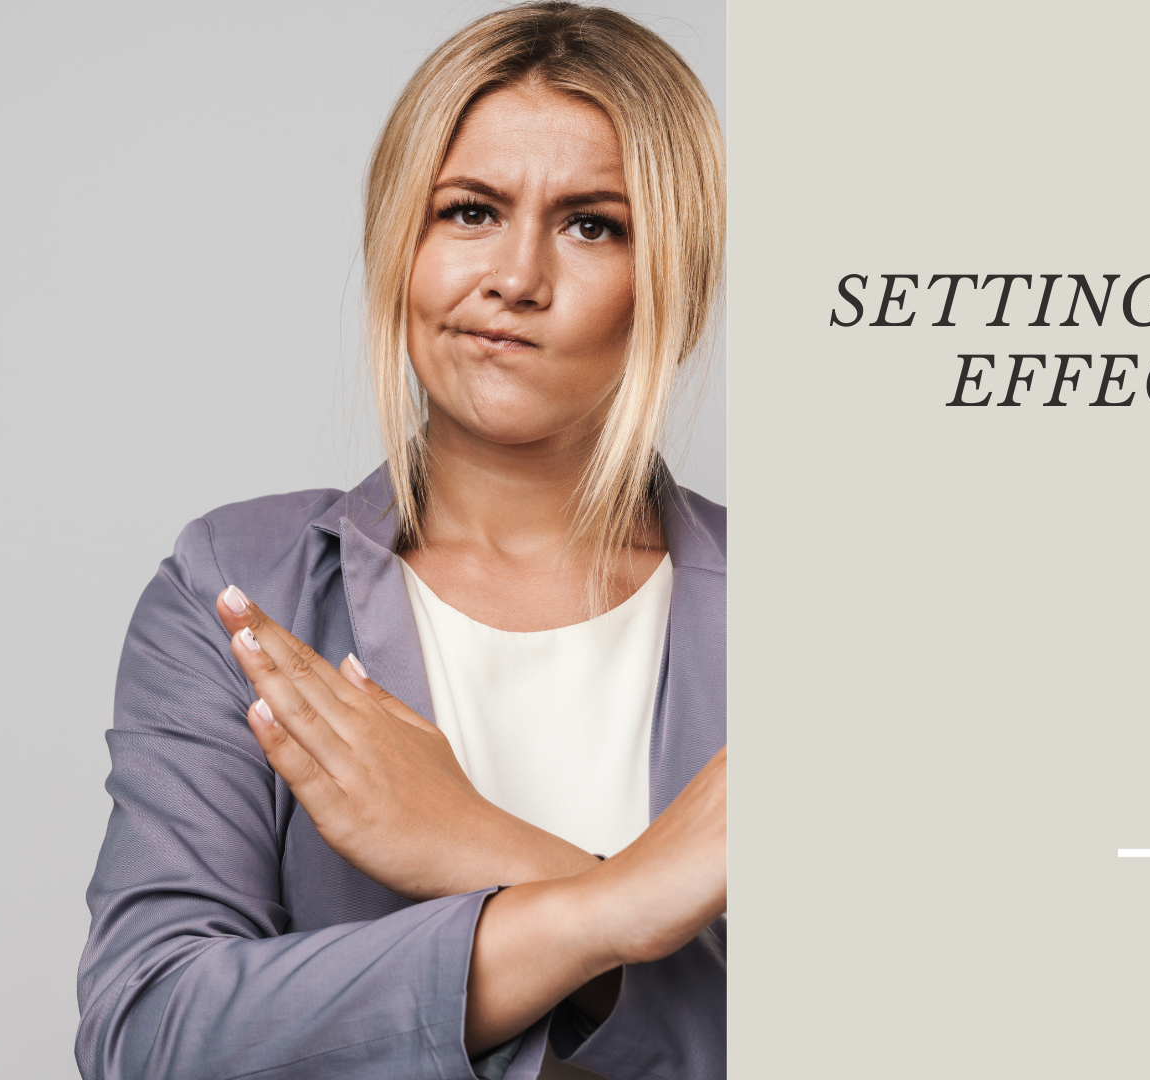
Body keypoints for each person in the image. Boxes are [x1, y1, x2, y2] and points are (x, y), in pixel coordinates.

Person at [75, 5, 727, 1078]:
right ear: (401, 243)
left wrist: (477, 844)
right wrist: (610, 903)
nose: (516, 276)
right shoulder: (241, 589)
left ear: (676, 279)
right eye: (470, 211)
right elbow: (149, 1037)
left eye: (592, 224)